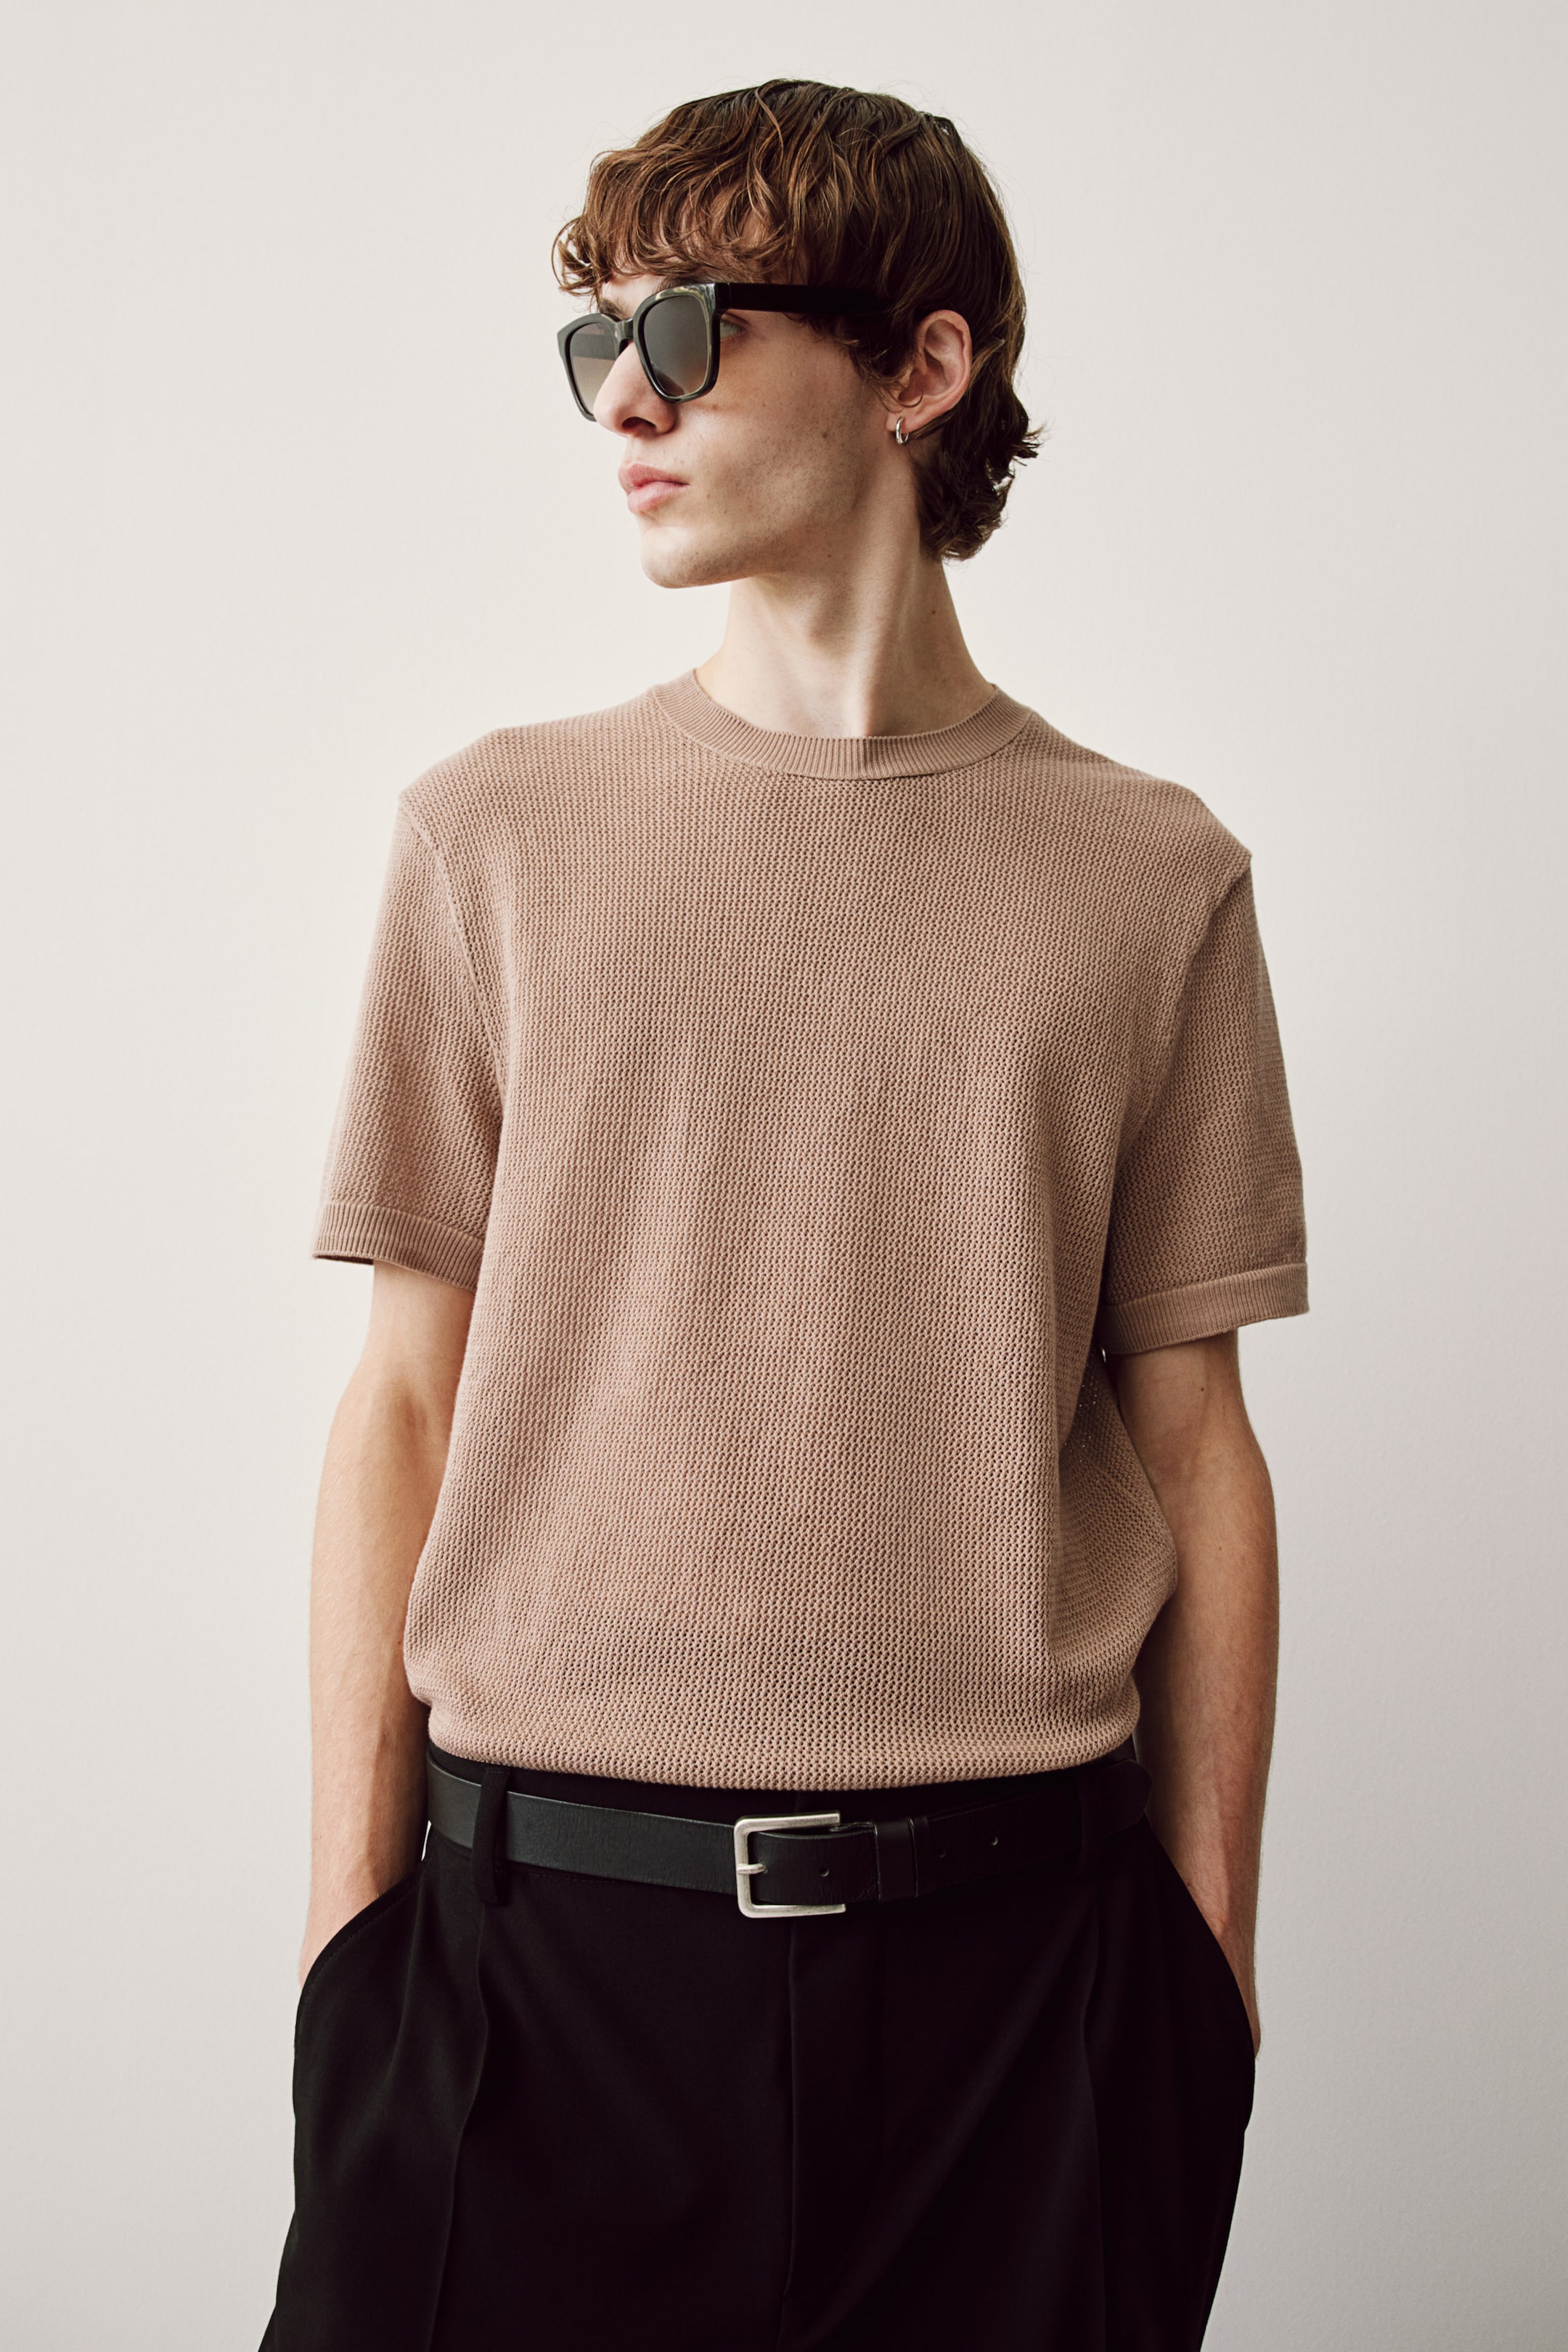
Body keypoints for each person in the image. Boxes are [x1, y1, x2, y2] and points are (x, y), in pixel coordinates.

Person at [261, 78, 1307, 2352]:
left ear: (922, 367)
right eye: (596, 340)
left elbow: (1196, 1438)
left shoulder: (1154, 880)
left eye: (690, 329)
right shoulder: (491, 838)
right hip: (531, 1979)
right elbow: (404, 1403)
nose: (623, 400)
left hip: (1023, 2003)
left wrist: (1207, 1970)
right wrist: (352, 1942)